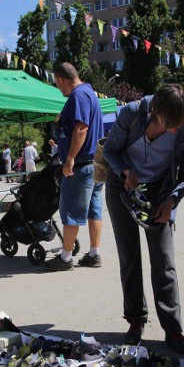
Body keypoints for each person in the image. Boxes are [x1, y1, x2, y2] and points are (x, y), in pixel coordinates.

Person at [101, 84, 184, 352]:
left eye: (179, 125)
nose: (175, 131)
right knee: (128, 255)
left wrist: (172, 200)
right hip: (122, 184)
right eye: (170, 125)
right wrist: (125, 171)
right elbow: (110, 150)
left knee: (163, 259)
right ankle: (135, 320)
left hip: (161, 190)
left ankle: (174, 329)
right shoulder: (131, 113)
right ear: (155, 112)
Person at [44, 62, 104, 272]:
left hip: (81, 164)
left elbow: (81, 128)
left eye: (57, 84)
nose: (58, 89)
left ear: (61, 80)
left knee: (71, 211)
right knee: (94, 210)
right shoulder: (89, 93)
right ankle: (94, 254)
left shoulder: (78, 95)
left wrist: (69, 158)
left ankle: (65, 257)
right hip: (94, 162)